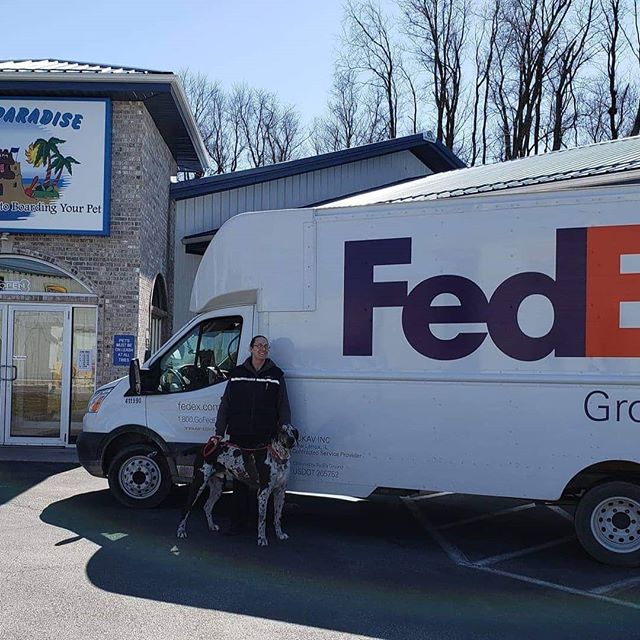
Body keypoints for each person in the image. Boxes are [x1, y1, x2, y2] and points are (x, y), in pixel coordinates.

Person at [213, 334, 291, 535]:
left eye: (266, 346)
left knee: (264, 484)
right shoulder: (237, 373)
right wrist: (219, 433)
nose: (262, 349)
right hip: (239, 436)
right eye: (258, 345)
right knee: (240, 482)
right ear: (250, 348)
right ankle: (237, 524)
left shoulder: (276, 375)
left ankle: (261, 527)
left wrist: (284, 432)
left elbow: (283, 407)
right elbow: (226, 405)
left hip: (265, 439)